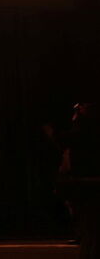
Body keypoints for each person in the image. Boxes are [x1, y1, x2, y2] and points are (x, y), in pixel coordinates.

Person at [51, 103, 100, 259]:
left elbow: (63, 141)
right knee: (89, 227)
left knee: (90, 227)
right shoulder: (83, 133)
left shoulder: (82, 133)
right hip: (84, 182)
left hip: (86, 183)